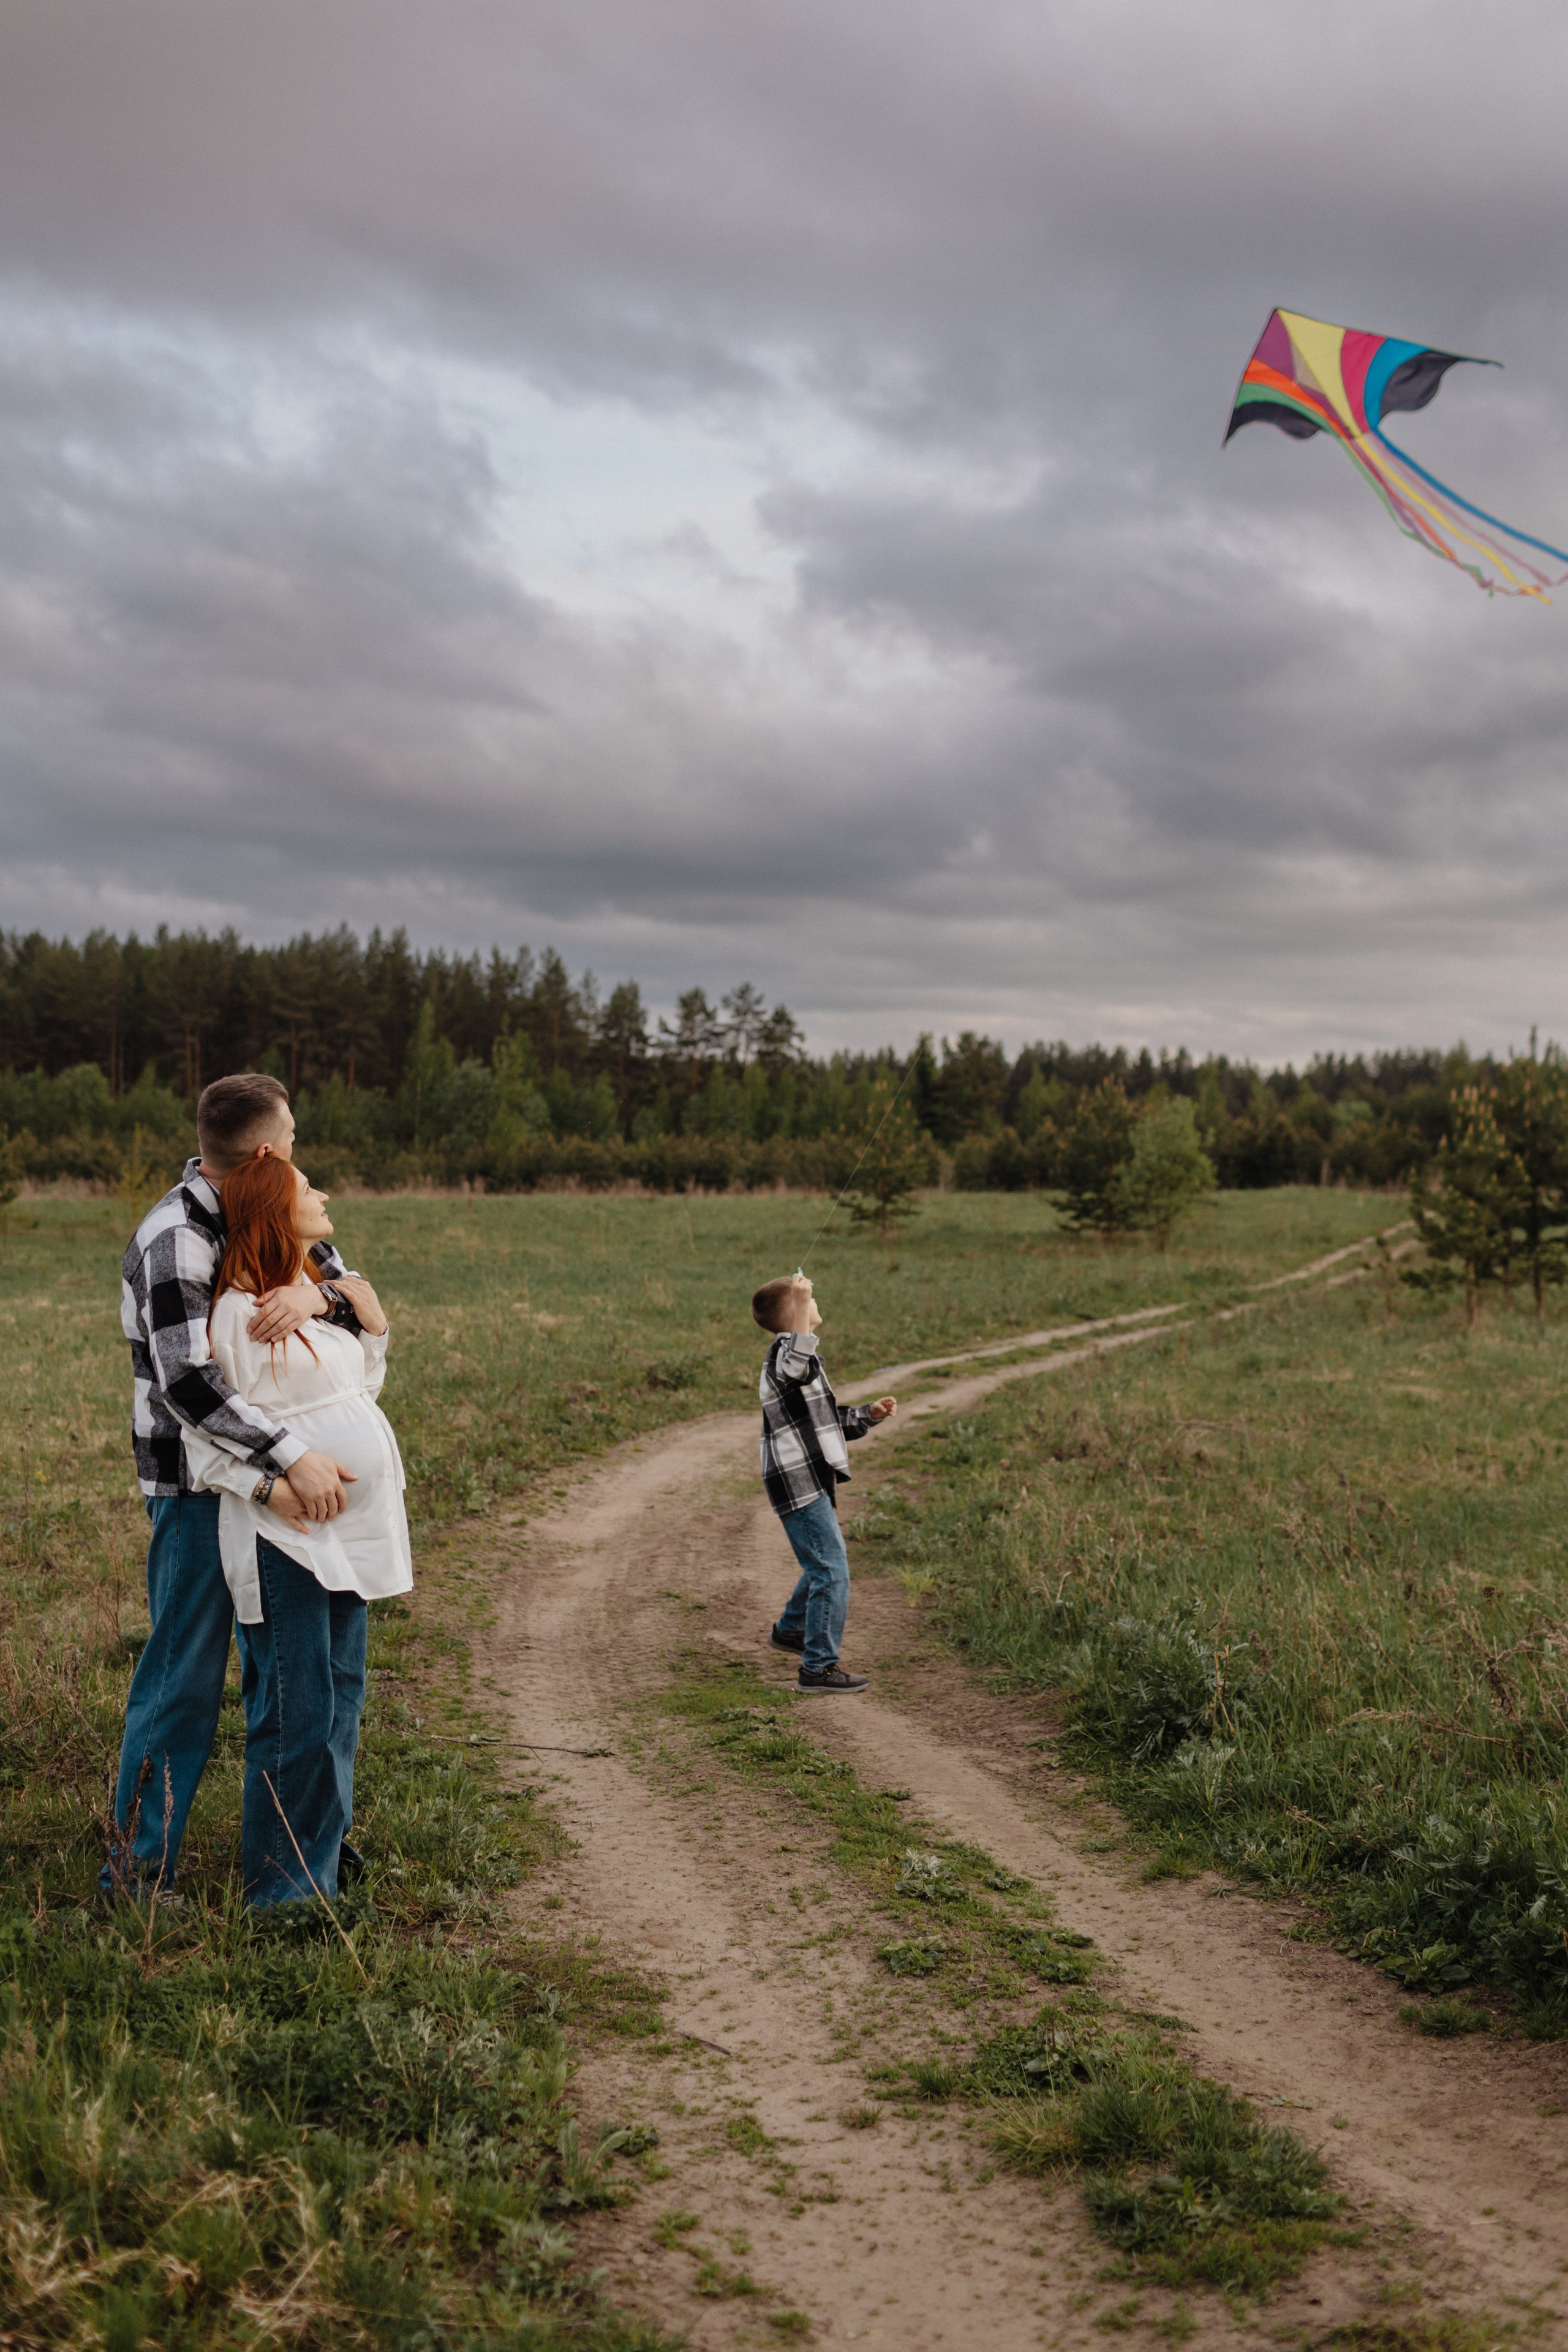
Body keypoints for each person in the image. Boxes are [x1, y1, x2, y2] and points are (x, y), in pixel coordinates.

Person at [109, 1072, 365, 1899]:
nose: (298, 1154)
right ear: (263, 1148)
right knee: (183, 1675)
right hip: (197, 1488)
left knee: (292, 1679)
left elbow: (360, 1303)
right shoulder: (174, 1239)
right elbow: (189, 1385)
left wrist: (315, 1295)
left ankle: (304, 1853)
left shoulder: (289, 1216)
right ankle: (139, 1873)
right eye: (291, 1140)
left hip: (289, 1489)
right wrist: (287, 1459)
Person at [186, 1155, 409, 1907]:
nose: (324, 1195)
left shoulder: (307, 1299)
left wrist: (345, 1314)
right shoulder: (234, 1317)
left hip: (352, 1534)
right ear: (276, 1214)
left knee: (340, 1704)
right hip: (286, 1542)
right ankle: (282, 1895)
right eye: (308, 1189)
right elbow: (202, 1443)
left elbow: (359, 1388)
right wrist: (268, 1485)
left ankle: (319, 1865)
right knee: (297, 1712)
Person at [753, 1271, 897, 1694]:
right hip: (798, 1482)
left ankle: (791, 1630)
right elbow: (799, 1359)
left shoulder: (797, 1360)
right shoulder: (786, 1356)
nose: (814, 1304)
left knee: (823, 1562)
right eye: (805, 1303)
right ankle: (818, 1668)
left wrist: (867, 1414)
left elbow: (824, 1420)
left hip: (808, 1479)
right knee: (831, 1570)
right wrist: (800, 1299)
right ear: (794, 1315)